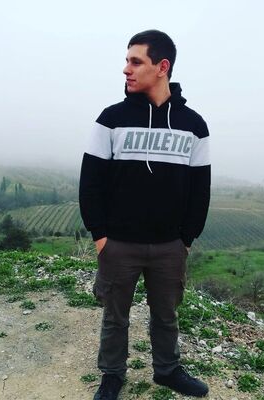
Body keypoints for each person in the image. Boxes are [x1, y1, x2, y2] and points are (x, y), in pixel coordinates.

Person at [79, 29, 211, 399]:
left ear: (162, 67)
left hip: (169, 246)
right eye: (127, 61)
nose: (126, 69)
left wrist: (186, 239)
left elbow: (200, 188)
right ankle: (112, 375)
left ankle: (167, 370)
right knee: (114, 316)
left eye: (136, 62)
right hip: (119, 243)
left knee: (166, 315)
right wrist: (100, 236)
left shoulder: (194, 125)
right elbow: (90, 183)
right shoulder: (111, 119)